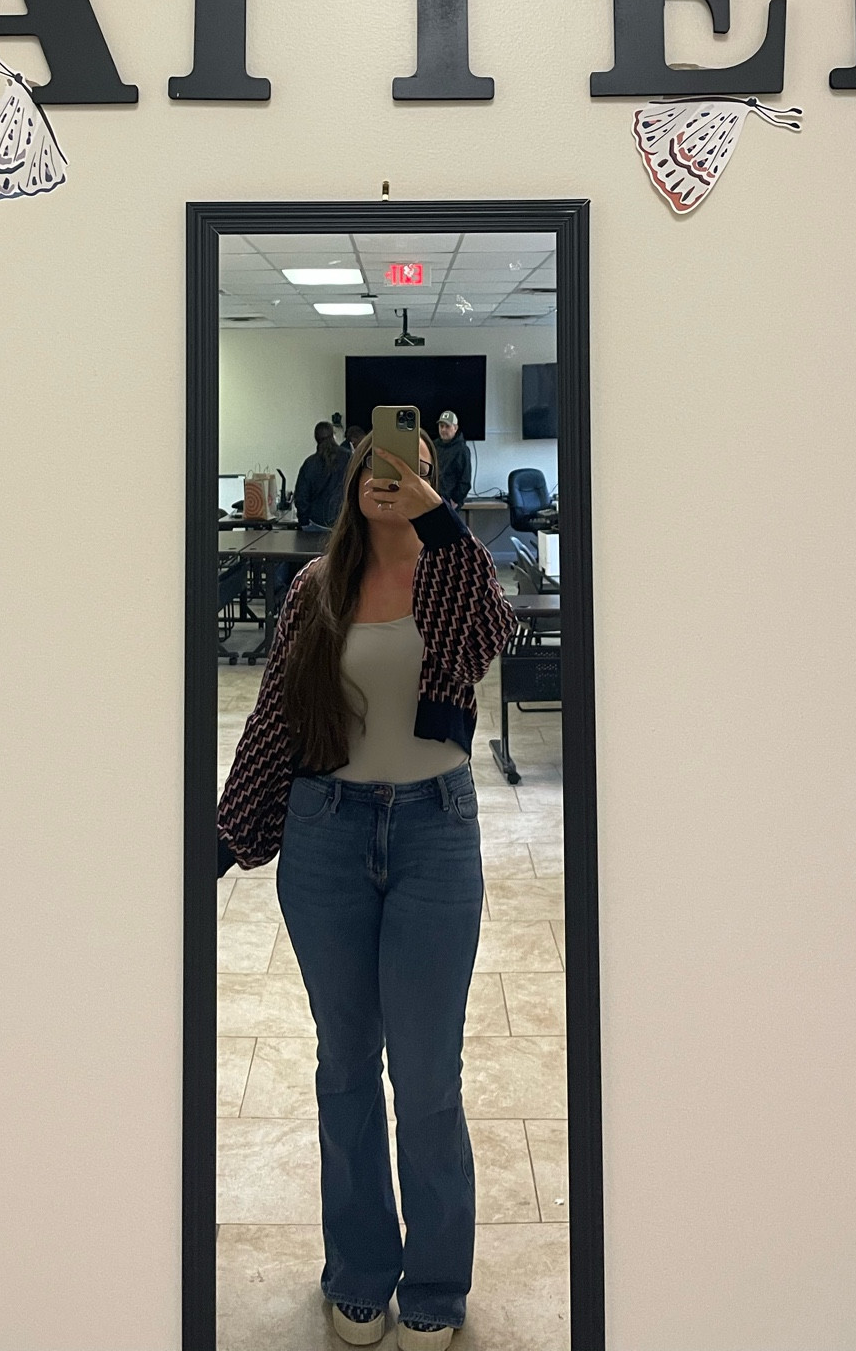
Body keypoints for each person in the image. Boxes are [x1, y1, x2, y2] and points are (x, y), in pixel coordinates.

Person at [217, 432, 517, 1350]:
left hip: (436, 836)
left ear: (432, 479)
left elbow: (490, 630)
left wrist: (441, 520)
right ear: (353, 481)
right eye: (377, 465)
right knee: (346, 1067)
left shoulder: (455, 577)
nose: (391, 478)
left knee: (427, 1079)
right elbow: (277, 716)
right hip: (326, 838)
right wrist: (228, 833)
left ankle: (434, 1280)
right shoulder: (316, 589)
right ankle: (357, 1270)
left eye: (412, 464)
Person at [294, 421, 350, 533]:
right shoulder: (348, 457)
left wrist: (304, 522)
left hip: (316, 524)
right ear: (333, 435)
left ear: (316, 439)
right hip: (343, 523)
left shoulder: (309, 463)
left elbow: (301, 496)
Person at [432, 411, 472, 511]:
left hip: (450, 503)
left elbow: (465, 480)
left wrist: (455, 501)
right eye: (441, 426)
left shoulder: (462, 450)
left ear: (455, 428)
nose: (443, 430)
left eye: (447, 426)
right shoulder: (433, 446)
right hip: (433, 499)